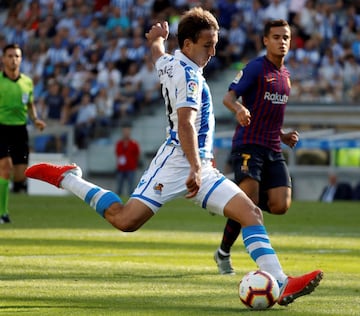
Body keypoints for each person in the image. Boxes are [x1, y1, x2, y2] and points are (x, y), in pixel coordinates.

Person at [25, 8, 322, 306]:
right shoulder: (190, 76)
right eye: (207, 45)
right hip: (177, 162)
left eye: (215, 44)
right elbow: (185, 124)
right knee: (125, 221)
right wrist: (194, 167)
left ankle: (281, 282)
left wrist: (157, 40)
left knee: (250, 213)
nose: (213, 51)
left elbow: (157, 55)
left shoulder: (170, 62)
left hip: (201, 167)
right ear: (188, 45)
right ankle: (68, 178)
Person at [214, 20, 299, 275]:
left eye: (285, 37)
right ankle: (223, 253)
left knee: (280, 205)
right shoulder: (254, 69)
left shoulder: (286, 77)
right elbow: (228, 97)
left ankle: (235, 201)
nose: (281, 41)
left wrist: (283, 135)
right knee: (249, 202)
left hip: (273, 148)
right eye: (276, 37)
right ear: (265, 40)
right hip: (248, 145)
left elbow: (271, 116)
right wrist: (240, 108)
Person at [0, 43, 46, 223]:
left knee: (20, 176)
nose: (13, 59)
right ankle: (3, 214)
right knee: (5, 167)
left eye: (17, 56)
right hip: (1, 128)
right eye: (10, 56)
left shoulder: (27, 82)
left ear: (21, 59)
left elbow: (30, 104)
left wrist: (35, 119)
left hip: (20, 130)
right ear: (3, 59)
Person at [115, 123, 141, 196]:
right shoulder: (119, 143)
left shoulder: (134, 143)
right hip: (121, 168)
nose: (126, 133)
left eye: (127, 132)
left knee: (131, 187)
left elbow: (137, 155)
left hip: (131, 167)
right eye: (124, 132)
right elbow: (117, 154)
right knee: (119, 187)